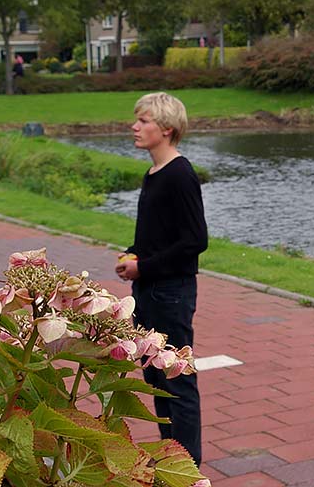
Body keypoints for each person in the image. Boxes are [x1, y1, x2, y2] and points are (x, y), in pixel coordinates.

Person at [115, 92, 208, 465]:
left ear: (166, 129)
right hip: (148, 289)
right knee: (155, 376)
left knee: (177, 381)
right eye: (136, 120)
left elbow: (195, 240)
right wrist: (133, 253)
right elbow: (155, 234)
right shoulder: (153, 173)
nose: (134, 127)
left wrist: (146, 266)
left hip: (171, 292)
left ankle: (186, 465)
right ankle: (169, 456)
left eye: (144, 121)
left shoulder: (181, 175)